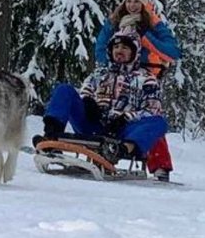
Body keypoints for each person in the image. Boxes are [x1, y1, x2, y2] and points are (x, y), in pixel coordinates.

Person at [35, 31, 170, 177]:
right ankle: (51, 135)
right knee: (64, 90)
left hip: (122, 132)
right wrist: (87, 102)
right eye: (116, 47)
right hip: (93, 124)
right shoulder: (99, 74)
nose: (119, 50)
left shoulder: (147, 78)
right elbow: (85, 91)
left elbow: (152, 108)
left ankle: (121, 150)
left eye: (125, 48)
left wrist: (125, 118)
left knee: (158, 122)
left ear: (134, 52)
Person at [95, 0, 180, 179]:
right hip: (116, 73)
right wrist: (110, 63)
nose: (132, 5)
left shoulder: (153, 24)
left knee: (149, 114)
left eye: (137, 1)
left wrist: (146, 40)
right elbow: (100, 47)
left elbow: (172, 52)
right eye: (129, 1)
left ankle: (158, 163)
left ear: (144, 4)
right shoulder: (115, 21)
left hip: (144, 74)